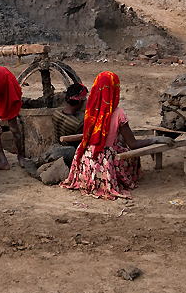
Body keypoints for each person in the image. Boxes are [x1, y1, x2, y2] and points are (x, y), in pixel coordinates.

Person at [60, 71, 174, 200]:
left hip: (86, 159)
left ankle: (87, 180)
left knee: (118, 144)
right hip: (104, 163)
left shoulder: (91, 109)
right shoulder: (119, 113)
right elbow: (133, 144)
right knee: (130, 155)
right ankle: (119, 179)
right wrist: (156, 139)